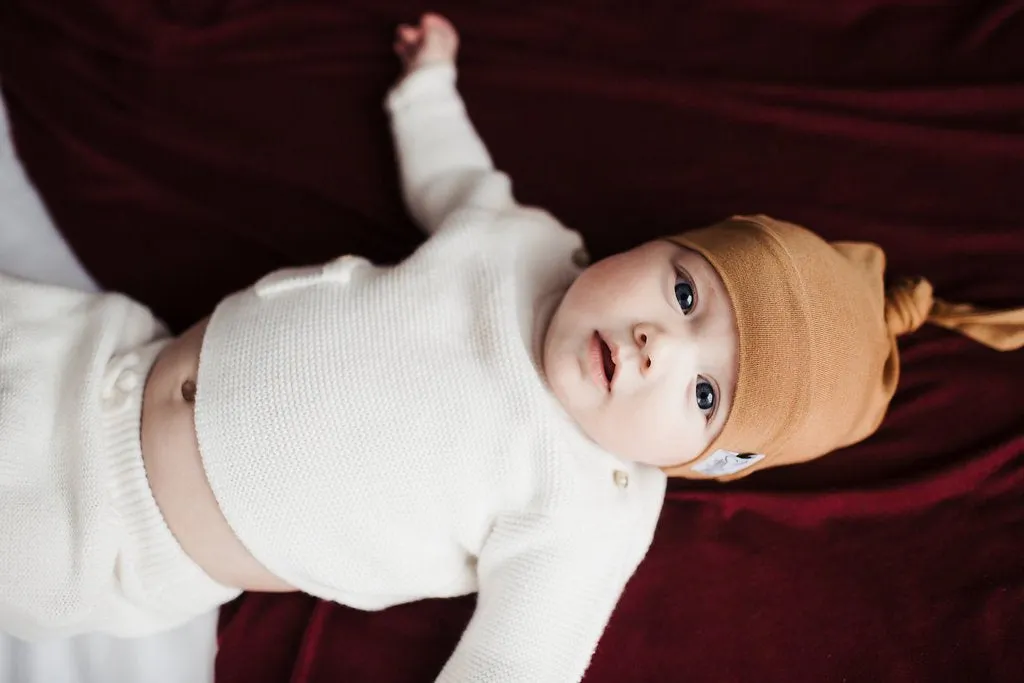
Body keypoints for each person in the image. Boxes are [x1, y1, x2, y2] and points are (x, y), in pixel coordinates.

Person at [1, 11, 1021, 682]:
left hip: (121, 535)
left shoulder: (589, 508)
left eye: (706, 392)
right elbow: (453, 182)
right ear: (648, 246)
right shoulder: (527, 246)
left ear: (702, 459)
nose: (660, 344)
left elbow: (515, 665)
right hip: (94, 355)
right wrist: (427, 90)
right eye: (681, 290)